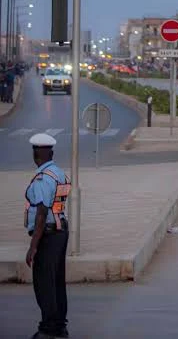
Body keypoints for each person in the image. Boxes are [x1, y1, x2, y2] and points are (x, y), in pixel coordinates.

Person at [24, 133, 71, 339]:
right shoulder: (58, 173)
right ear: (51, 153)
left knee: (44, 283)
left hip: (49, 234)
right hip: (60, 232)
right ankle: (60, 325)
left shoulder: (43, 178)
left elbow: (42, 214)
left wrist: (33, 246)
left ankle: (49, 329)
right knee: (57, 282)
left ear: (36, 154)